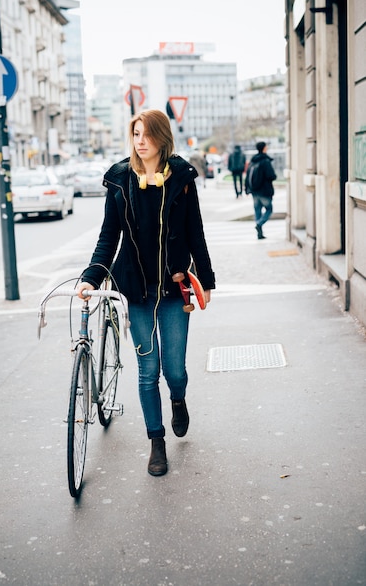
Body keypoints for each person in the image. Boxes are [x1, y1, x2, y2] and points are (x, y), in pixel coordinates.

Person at [77, 109, 215, 477]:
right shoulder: (121, 180)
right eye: (135, 133)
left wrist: (208, 279)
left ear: (161, 138)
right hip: (137, 290)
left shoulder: (182, 179)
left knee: (175, 370)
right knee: (146, 370)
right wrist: (92, 275)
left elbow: (195, 232)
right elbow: (109, 235)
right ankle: (157, 442)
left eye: (147, 134)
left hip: (173, 288)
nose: (140, 140)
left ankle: (179, 398)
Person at [244, 141, 277, 239]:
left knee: (257, 211)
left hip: (254, 191)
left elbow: (247, 176)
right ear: (264, 148)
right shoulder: (265, 161)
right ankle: (259, 224)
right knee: (269, 209)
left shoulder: (253, 161)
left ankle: (259, 234)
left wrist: (246, 189)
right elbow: (271, 176)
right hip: (264, 191)